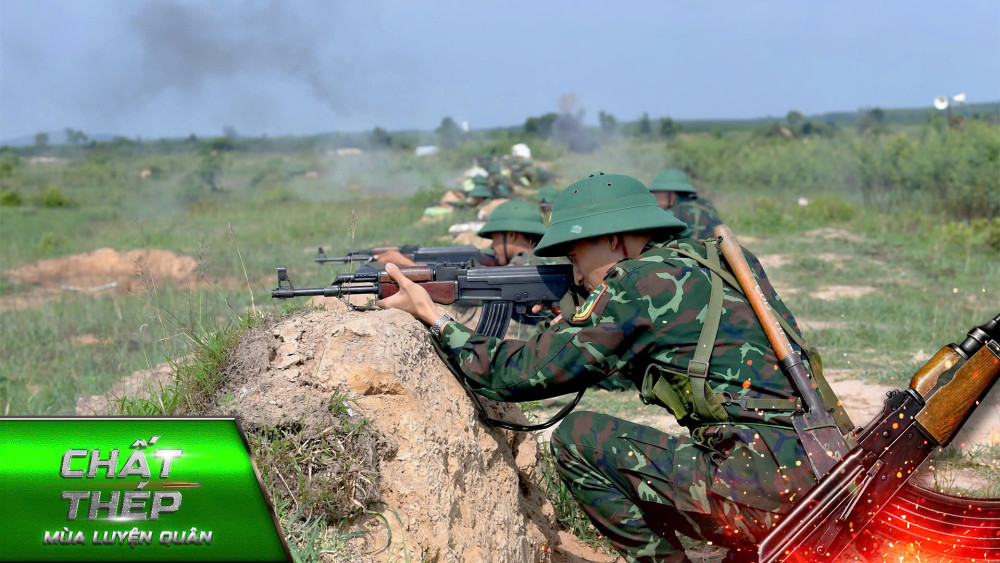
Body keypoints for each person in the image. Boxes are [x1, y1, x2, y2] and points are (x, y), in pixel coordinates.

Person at [378, 173, 851, 562]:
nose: (575, 271)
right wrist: (582, 323)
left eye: (576, 255)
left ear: (614, 242)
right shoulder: (715, 262)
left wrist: (434, 316)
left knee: (576, 440)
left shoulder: (640, 285)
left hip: (770, 492)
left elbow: (514, 377)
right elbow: (669, 366)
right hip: (825, 476)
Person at [648, 168, 724, 240]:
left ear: (668, 192)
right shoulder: (706, 204)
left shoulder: (672, 213)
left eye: (656, 192)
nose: (654, 196)